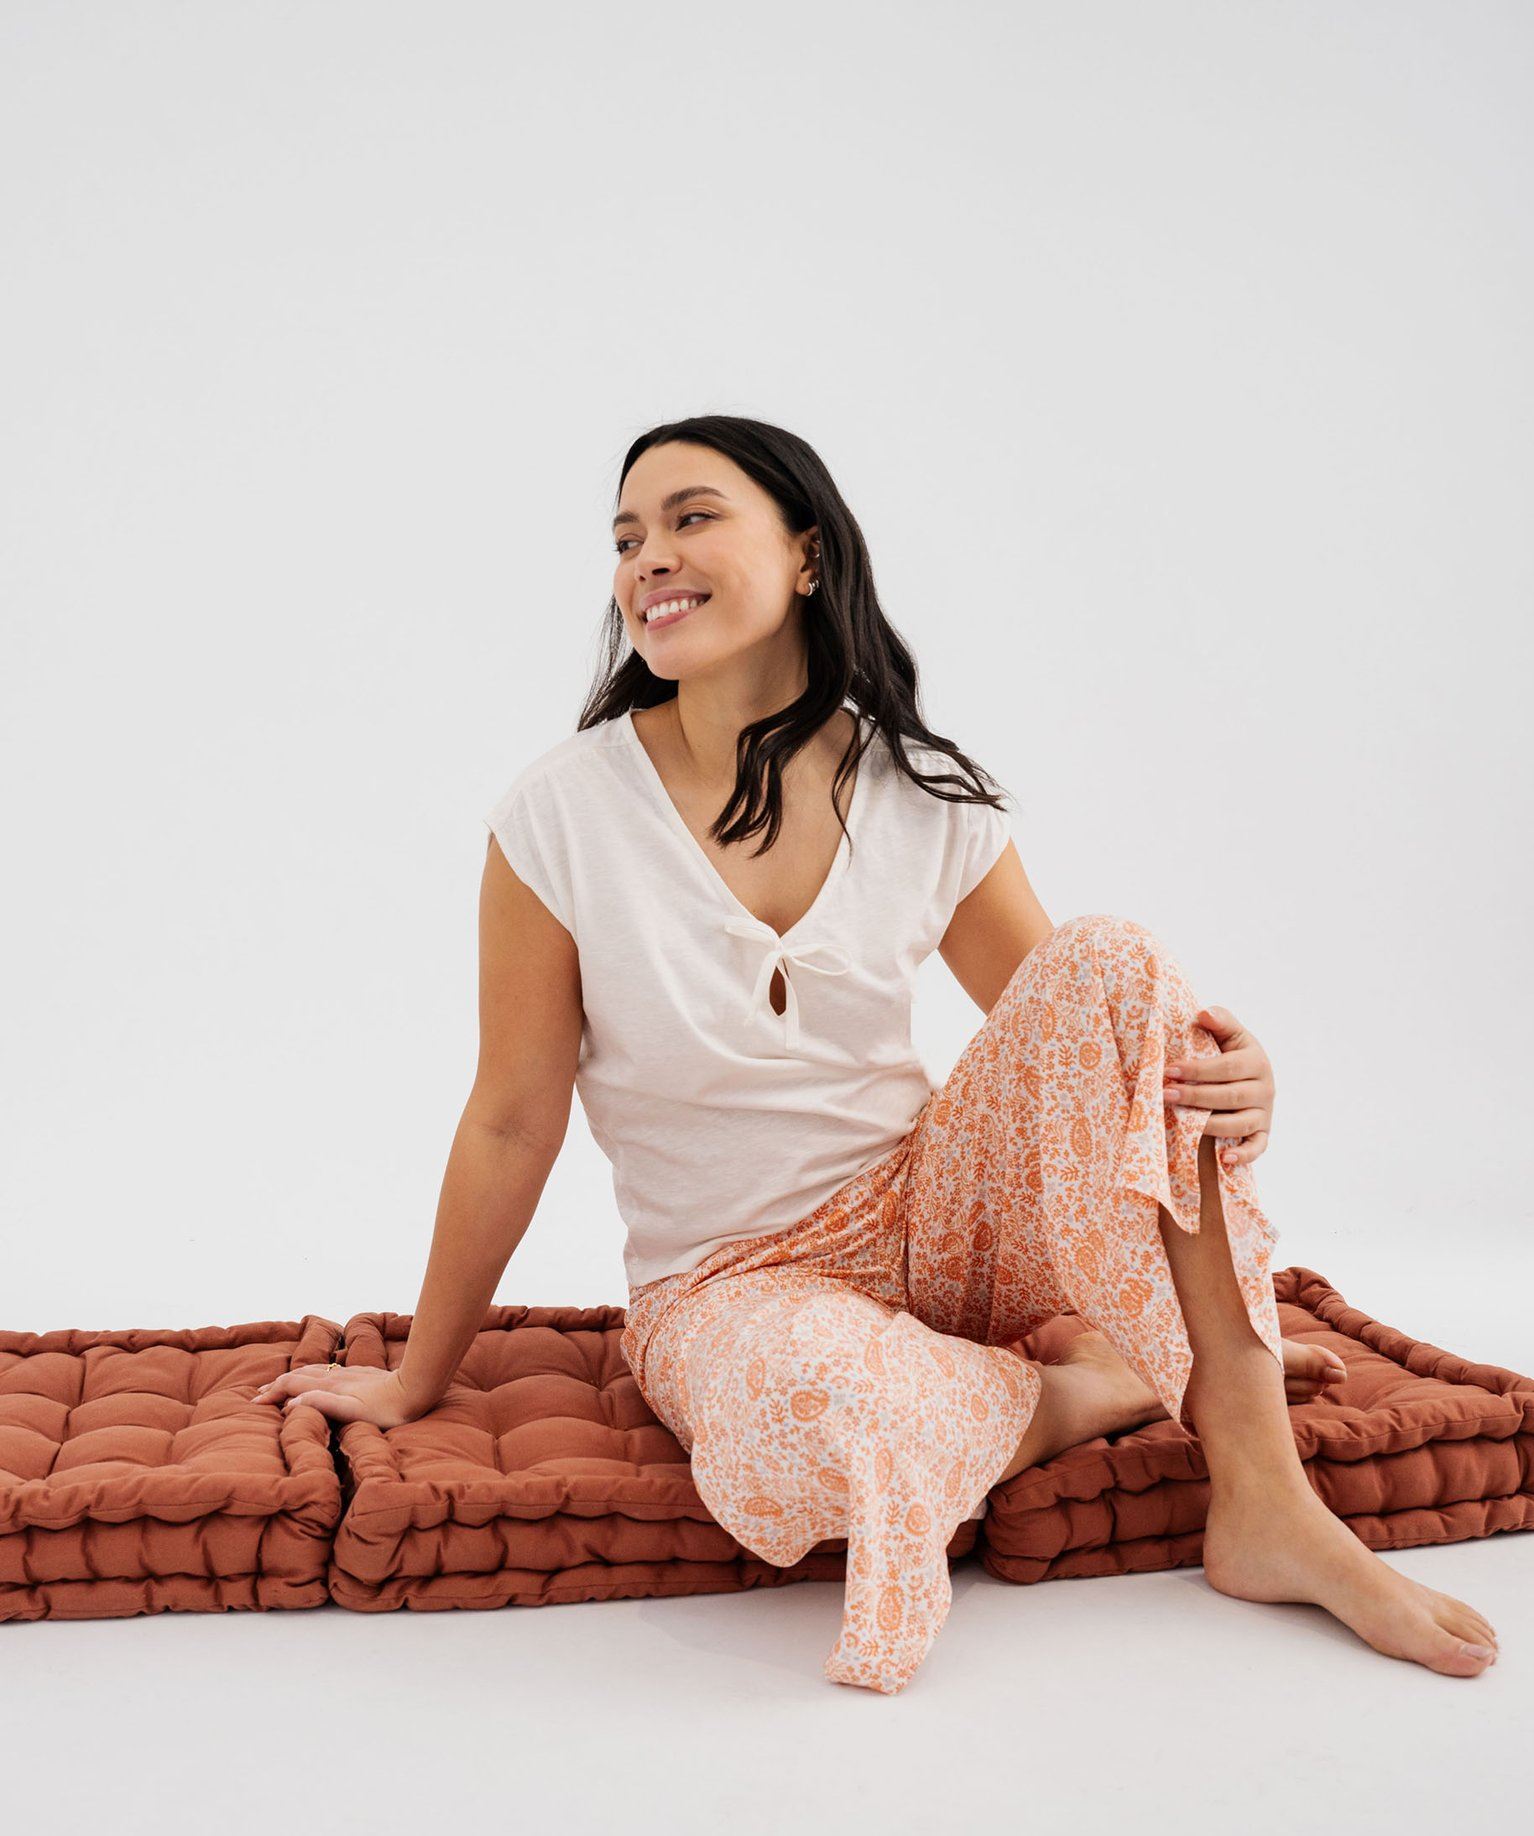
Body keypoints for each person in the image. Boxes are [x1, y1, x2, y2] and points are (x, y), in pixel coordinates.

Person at [254, 415, 1498, 1693]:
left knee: (1118, 962)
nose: (646, 559)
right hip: (732, 1282)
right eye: (625, 538)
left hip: (932, 1224)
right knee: (811, 1426)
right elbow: (512, 1117)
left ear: (807, 555)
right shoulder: (559, 814)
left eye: (690, 518)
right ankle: (1097, 1386)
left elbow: (1090, 1047)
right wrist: (418, 1378)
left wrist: (1226, 1077)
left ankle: (1263, 1493)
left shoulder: (917, 790)